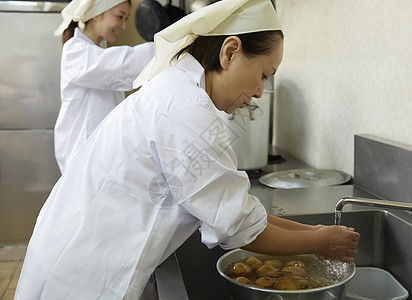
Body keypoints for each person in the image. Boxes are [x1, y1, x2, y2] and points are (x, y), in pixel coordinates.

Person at [15, 0, 360, 299]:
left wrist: (316, 233)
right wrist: (319, 243)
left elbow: (235, 209)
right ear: (230, 52)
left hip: (72, 252)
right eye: (264, 74)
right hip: (84, 277)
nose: (259, 91)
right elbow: (239, 227)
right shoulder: (187, 109)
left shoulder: (179, 92)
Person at [53, 0, 155, 173]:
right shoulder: (76, 51)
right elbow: (123, 65)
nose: (123, 26)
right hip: (82, 160)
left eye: (126, 19)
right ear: (97, 14)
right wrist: (166, 46)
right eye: (120, 17)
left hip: (99, 159)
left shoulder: (95, 52)